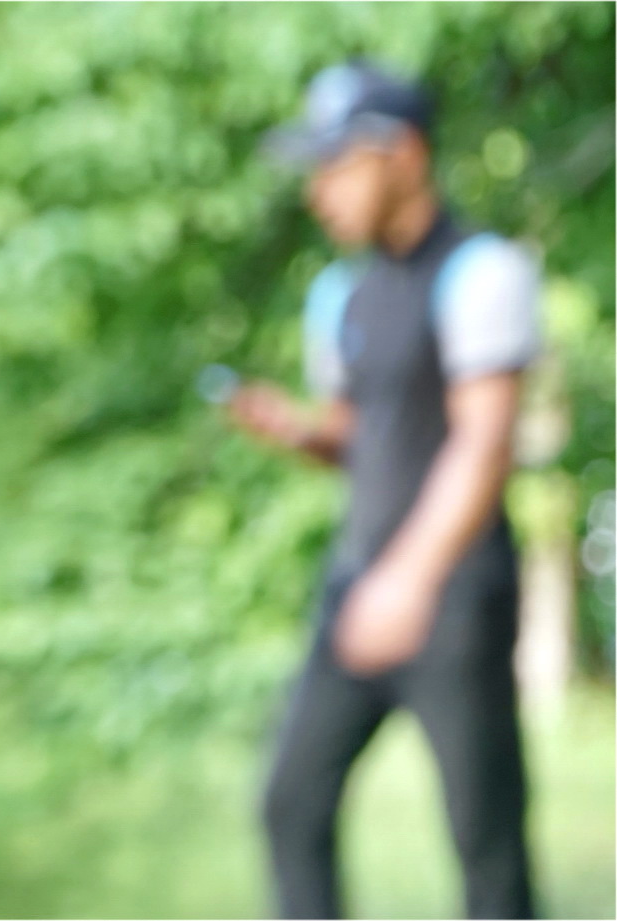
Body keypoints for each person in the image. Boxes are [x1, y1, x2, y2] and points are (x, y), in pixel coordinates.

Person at [231, 62, 541, 919]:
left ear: (402, 154)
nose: (319, 191)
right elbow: (369, 440)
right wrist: (303, 431)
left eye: (336, 164)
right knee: (290, 804)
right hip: (359, 588)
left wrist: (411, 577)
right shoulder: (341, 294)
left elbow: (483, 442)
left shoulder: (483, 271)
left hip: (453, 595)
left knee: (487, 839)